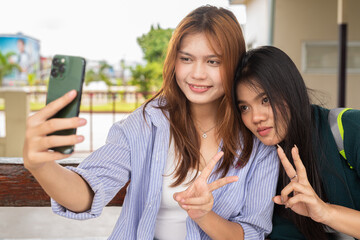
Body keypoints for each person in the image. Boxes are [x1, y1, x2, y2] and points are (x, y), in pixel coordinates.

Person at [23, 6, 279, 240]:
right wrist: (41, 165)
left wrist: (203, 215)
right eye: (186, 59)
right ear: (173, 62)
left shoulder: (258, 140)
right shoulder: (145, 123)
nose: (197, 74)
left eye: (213, 61)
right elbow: (87, 193)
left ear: (234, 65)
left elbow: (252, 233)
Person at [233, 45, 360, 240]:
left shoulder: (347, 128)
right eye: (244, 107)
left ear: (291, 90)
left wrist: (326, 212)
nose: (256, 117)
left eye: (265, 99)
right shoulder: (260, 160)